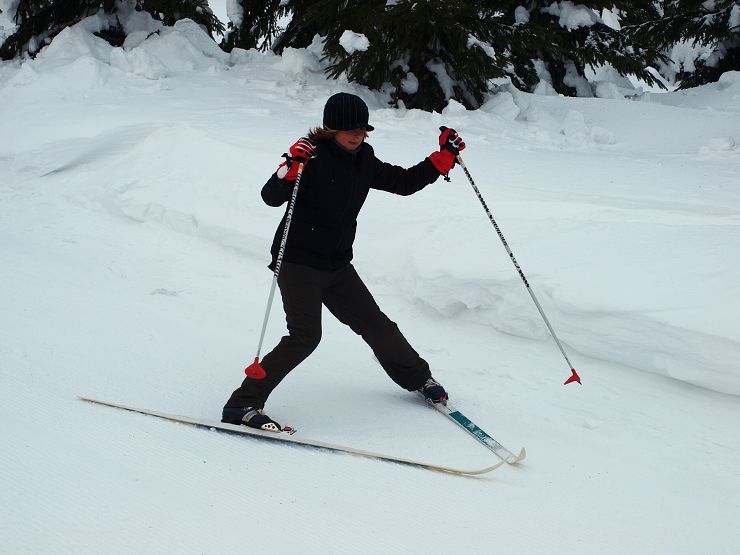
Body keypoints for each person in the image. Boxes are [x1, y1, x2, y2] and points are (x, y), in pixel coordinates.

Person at [222, 92, 466, 432]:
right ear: (331, 128)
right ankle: (242, 404)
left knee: (377, 325)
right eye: (350, 129)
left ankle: (418, 379)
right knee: (305, 336)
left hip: (337, 264)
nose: (357, 135)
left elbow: (404, 182)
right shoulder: (310, 156)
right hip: (297, 262)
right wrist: (288, 170)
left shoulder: (363, 158)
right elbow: (271, 197)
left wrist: (442, 159)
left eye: (362, 129)